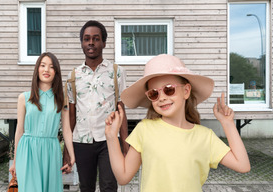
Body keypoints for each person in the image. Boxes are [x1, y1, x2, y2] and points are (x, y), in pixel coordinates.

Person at [105, 54, 251, 192]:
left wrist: (228, 124)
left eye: (169, 90)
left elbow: (243, 165)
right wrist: (111, 137)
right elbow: (123, 177)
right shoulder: (144, 129)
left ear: (186, 91)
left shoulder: (205, 136)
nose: (161, 98)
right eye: (154, 93)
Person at [63, 20, 129, 192]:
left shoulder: (117, 72)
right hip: (81, 141)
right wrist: (67, 151)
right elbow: (71, 116)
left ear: (104, 43)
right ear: (82, 43)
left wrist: (125, 145)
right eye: (86, 39)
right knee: (86, 187)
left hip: (109, 141)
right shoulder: (73, 76)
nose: (91, 42)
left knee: (109, 186)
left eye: (96, 38)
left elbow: (121, 110)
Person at [9, 52, 75, 192]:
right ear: (37, 69)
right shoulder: (24, 98)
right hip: (27, 151)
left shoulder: (62, 100)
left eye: (51, 67)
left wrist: (72, 156)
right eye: (43, 65)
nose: (46, 70)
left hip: (51, 151)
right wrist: (15, 161)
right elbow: (19, 130)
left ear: (56, 72)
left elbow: (67, 129)